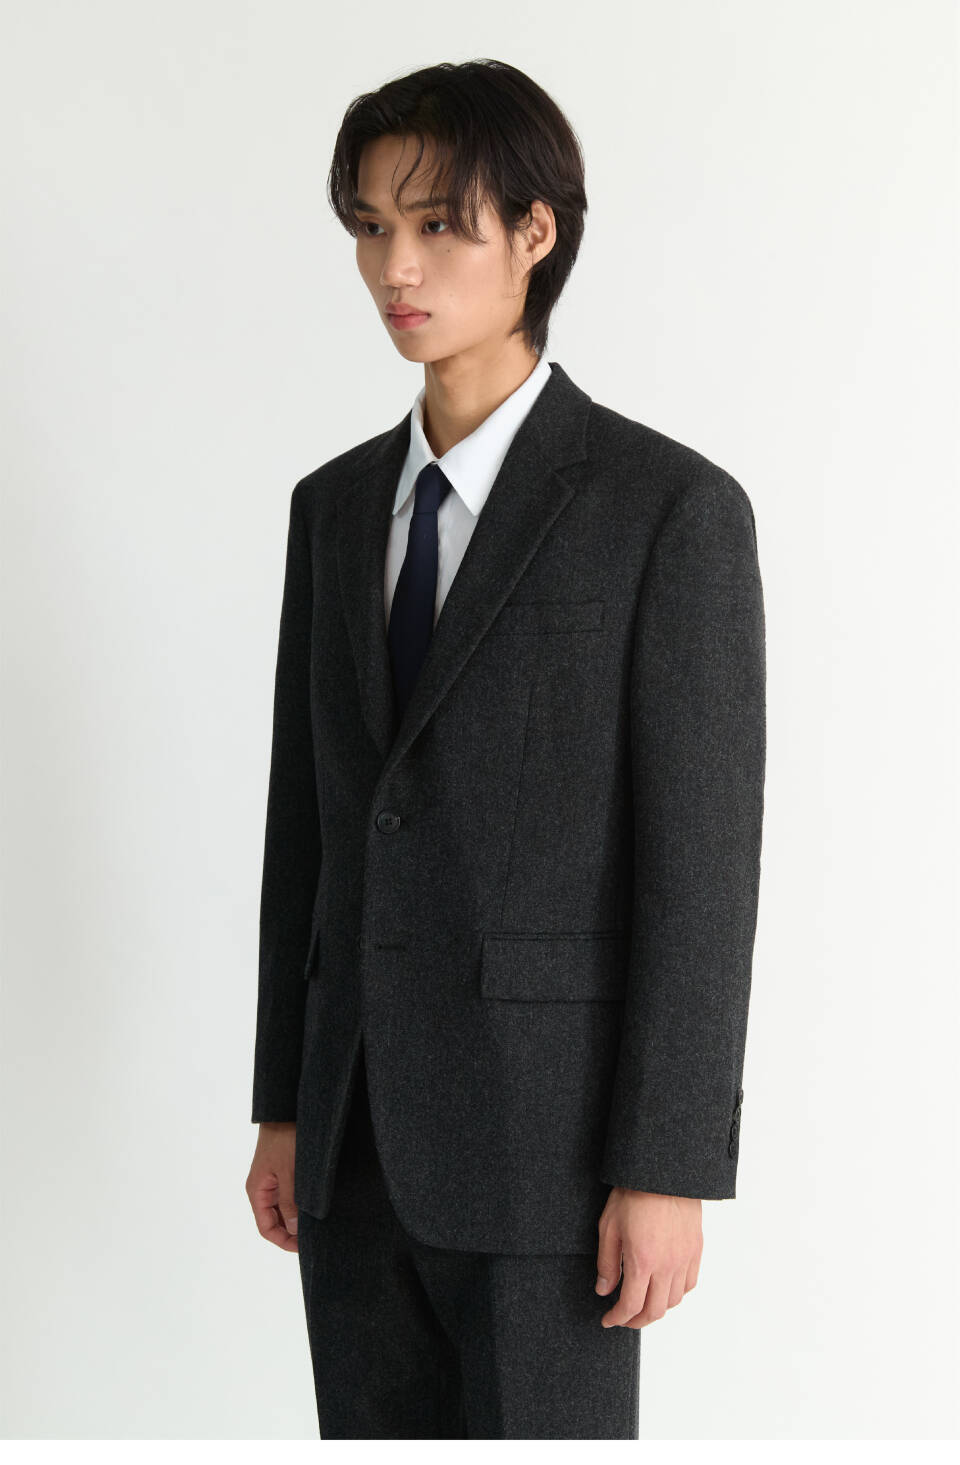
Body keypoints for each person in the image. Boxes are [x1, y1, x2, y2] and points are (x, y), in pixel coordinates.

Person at [245, 58, 766, 1441]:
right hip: (351, 1138)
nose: (394, 268)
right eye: (370, 227)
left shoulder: (669, 511)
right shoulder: (332, 510)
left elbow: (700, 870)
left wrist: (668, 1164)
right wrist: (285, 1101)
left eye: (438, 225)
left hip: (556, 1159)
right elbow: (309, 828)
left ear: (536, 232)